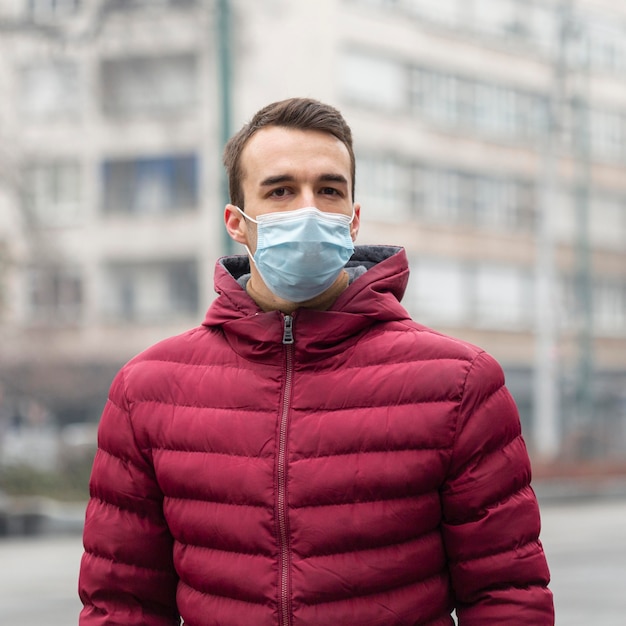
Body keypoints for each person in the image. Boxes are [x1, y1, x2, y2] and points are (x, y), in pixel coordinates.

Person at [78, 97, 554, 625]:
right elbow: (122, 604)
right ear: (237, 222)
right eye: (280, 190)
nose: (308, 208)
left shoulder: (459, 383)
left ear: (352, 220)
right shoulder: (148, 390)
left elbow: (508, 594)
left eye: (328, 190)